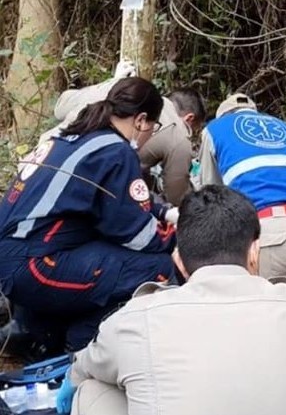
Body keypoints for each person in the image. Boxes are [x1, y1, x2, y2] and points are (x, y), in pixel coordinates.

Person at [56, 185, 286, 415]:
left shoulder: (137, 319)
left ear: (178, 258)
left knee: (92, 390)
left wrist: (74, 378)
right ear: (255, 251)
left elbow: (85, 367)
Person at [0, 77, 179, 353]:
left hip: (17, 253)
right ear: (142, 120)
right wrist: (179, 236)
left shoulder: (71, 138)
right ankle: (83, 344)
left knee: (104, 253)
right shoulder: (117, 151)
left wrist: (164, 211)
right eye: (152, 128)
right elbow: (136, 234)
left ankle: (42, 334)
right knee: (159, 268)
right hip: (34, 264)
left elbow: (120, 198)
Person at [197, 94, 286, 297]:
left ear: (222, 115)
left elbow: (211, 193)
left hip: (269, 230)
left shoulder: (215, 129)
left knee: (265, 314)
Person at [42, 61, 206, 205]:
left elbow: (60, 107)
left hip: (39, 158)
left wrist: (111, 82)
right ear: (189, 118)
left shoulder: (119, 89)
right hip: (71, 187)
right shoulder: (176, 134)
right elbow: (176, 194)